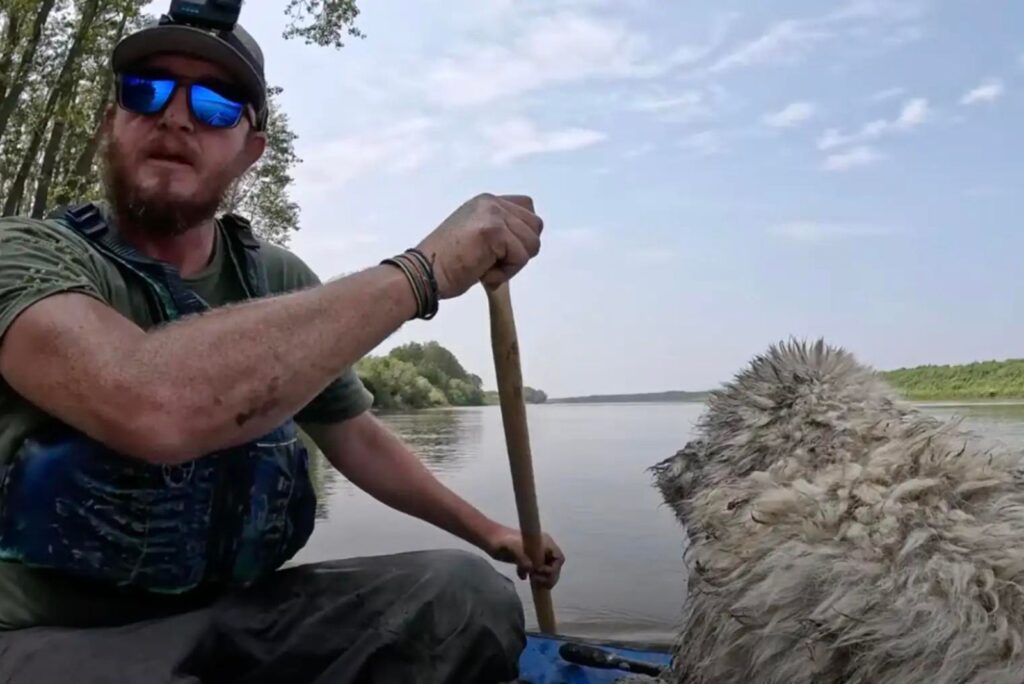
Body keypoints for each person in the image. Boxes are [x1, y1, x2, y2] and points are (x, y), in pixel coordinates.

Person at [0, 13, 563, 684]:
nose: (177, 117)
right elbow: (148, 401)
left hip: (234, 618)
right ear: (110, 123)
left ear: (250, 151)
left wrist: (489, 532)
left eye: (213, 103)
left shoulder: (278, 279)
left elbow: (356, 440)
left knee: (462, 600)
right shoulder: (26, 254)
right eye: (147, 91)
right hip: (46, 640)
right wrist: (422, 272)